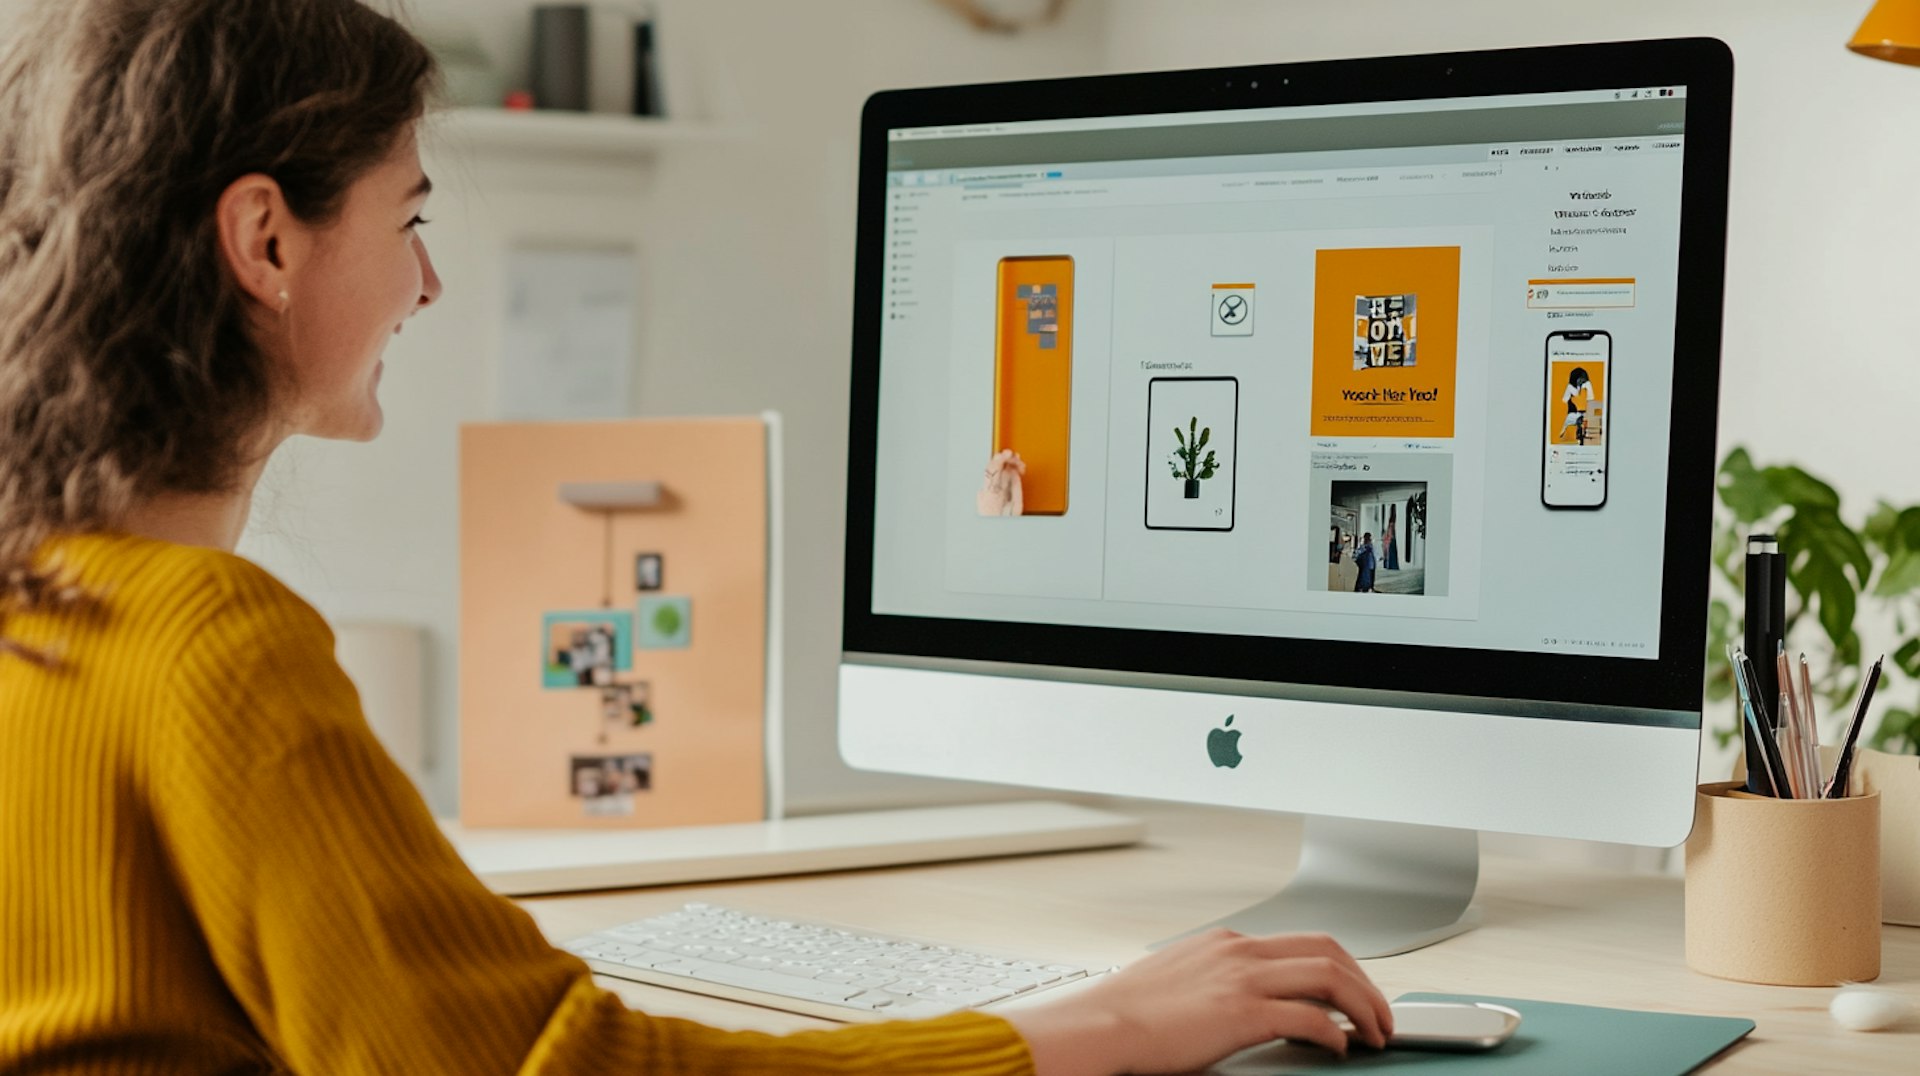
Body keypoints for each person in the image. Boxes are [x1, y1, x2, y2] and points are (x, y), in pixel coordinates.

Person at [0, 2, 1391, 1073]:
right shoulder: (210, 653)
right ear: (267, 240)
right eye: (409, 216)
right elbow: (574, 1069)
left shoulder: (40, 609)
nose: (425, 283)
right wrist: (1095, 1028)